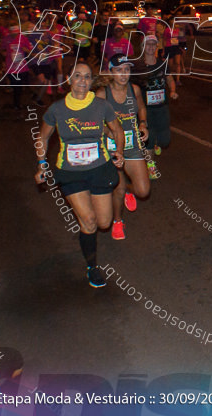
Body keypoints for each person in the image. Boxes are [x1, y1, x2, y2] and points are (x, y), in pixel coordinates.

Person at [34, 62, 125, 287]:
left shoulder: (101, 105)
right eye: (77, 76)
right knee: (89, 221)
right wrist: (42, 164)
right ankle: (92, 267)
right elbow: (42, 138)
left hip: (100, 167)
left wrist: (120, 152)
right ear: (68, 80)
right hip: (70, 172)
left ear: (91, 81)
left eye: (86, 77)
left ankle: (96, 234)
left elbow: (117, 129)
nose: (82, 81)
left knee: (104, 222)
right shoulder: (56, 109)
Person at [96, 54, 151, 241]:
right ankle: (117, 221)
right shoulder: (102, 94)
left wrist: (143, 124)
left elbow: (142, 108)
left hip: (133, 144)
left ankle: (129, 189)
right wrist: (107, 130)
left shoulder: (134, 90)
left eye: (126, 70)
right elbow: (93, 122)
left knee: (143, 191)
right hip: (112, 149)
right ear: (110, 72)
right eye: (119, 70)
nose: (123, 74)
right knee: (116, 190)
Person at [138, 35, 176, 178]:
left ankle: (156, 144)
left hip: (162, 107)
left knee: (165, 140)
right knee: (149, 136)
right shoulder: (138, 66)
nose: (151, 47)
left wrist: (172, 91)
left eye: (154, 44)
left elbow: (170, 79)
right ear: (143, 47)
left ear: (157, 47)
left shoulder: (162, 64)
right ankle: (151, 167)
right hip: (145, 108)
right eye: (148, 44)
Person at [0, 19, 33, 109]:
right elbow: (1, 49)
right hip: (11, 67)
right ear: (9, 31)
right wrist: (3, 53)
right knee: (16, 86)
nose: (14, 36)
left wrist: (27, 50)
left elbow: (30, 51)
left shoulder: (23, 38)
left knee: (20, 86)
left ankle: (18, 101)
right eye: (12, 33)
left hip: (22, 67)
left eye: (16, 33)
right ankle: (16, 104)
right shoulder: (6, 39)